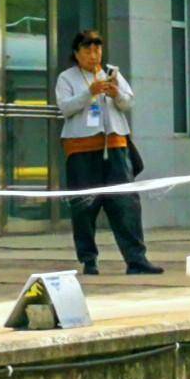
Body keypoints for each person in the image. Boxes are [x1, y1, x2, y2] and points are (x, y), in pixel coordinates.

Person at [53, 27, 156, 276]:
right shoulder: (67, 78)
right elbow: (65, 108)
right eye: (87, 49)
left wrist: (115, 92)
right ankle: (89, 259)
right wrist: (89, 93)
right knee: (84, 206)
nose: (93, 53)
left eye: (97, 48)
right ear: (76, 53)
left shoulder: (112, 74)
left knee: (126, 204)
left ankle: (136, 260)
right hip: (82, 149)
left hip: (116, 146)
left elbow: (129, 102)